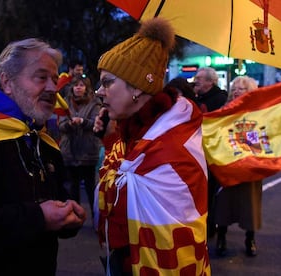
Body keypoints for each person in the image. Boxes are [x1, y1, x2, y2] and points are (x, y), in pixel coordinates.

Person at [0, 38, 86, 275]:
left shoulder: (42, 139)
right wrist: (38, 217)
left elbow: (54, 199)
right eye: (41, 77)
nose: (51, 88)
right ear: (7, 81)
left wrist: (67, 217)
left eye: (55, 80)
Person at [93, 18, 210, 275]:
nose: (99, 92)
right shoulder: (135, 131)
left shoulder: (169, 148)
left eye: (107, 82)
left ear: (137, 87)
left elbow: (121, 205)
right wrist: (112, 138)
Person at [214, 75, 262, 257]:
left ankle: (250, 238)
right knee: (224, 203)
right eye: (234, 87)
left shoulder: (256, 114)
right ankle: (221, 237)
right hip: (227, 165)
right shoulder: (224, 110)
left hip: (249, 167)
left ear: (249, 91)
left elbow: (258, 141)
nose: (235, 91)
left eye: (240, 88)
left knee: (250, 206)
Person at [58, 74, 102, 221]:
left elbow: (96, 124)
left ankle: (96, 218)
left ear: (86, 88)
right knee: (73, 188)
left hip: (87, 151)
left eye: (81, 85)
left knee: (91, 188)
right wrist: (69, 124)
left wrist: (83, 121)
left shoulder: (94, 104)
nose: (78, 88)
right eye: (76, 85)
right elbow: (60, 125)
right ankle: (75, 218)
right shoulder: (65, 103)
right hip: (69, 151)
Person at [193, 66, 228, 239]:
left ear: (210, 81)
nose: (196, 80)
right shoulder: (198, 97)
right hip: (198, 151)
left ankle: (210, 227)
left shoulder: (220, 98)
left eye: (199, 78)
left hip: (212, 153)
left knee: (211, 192)